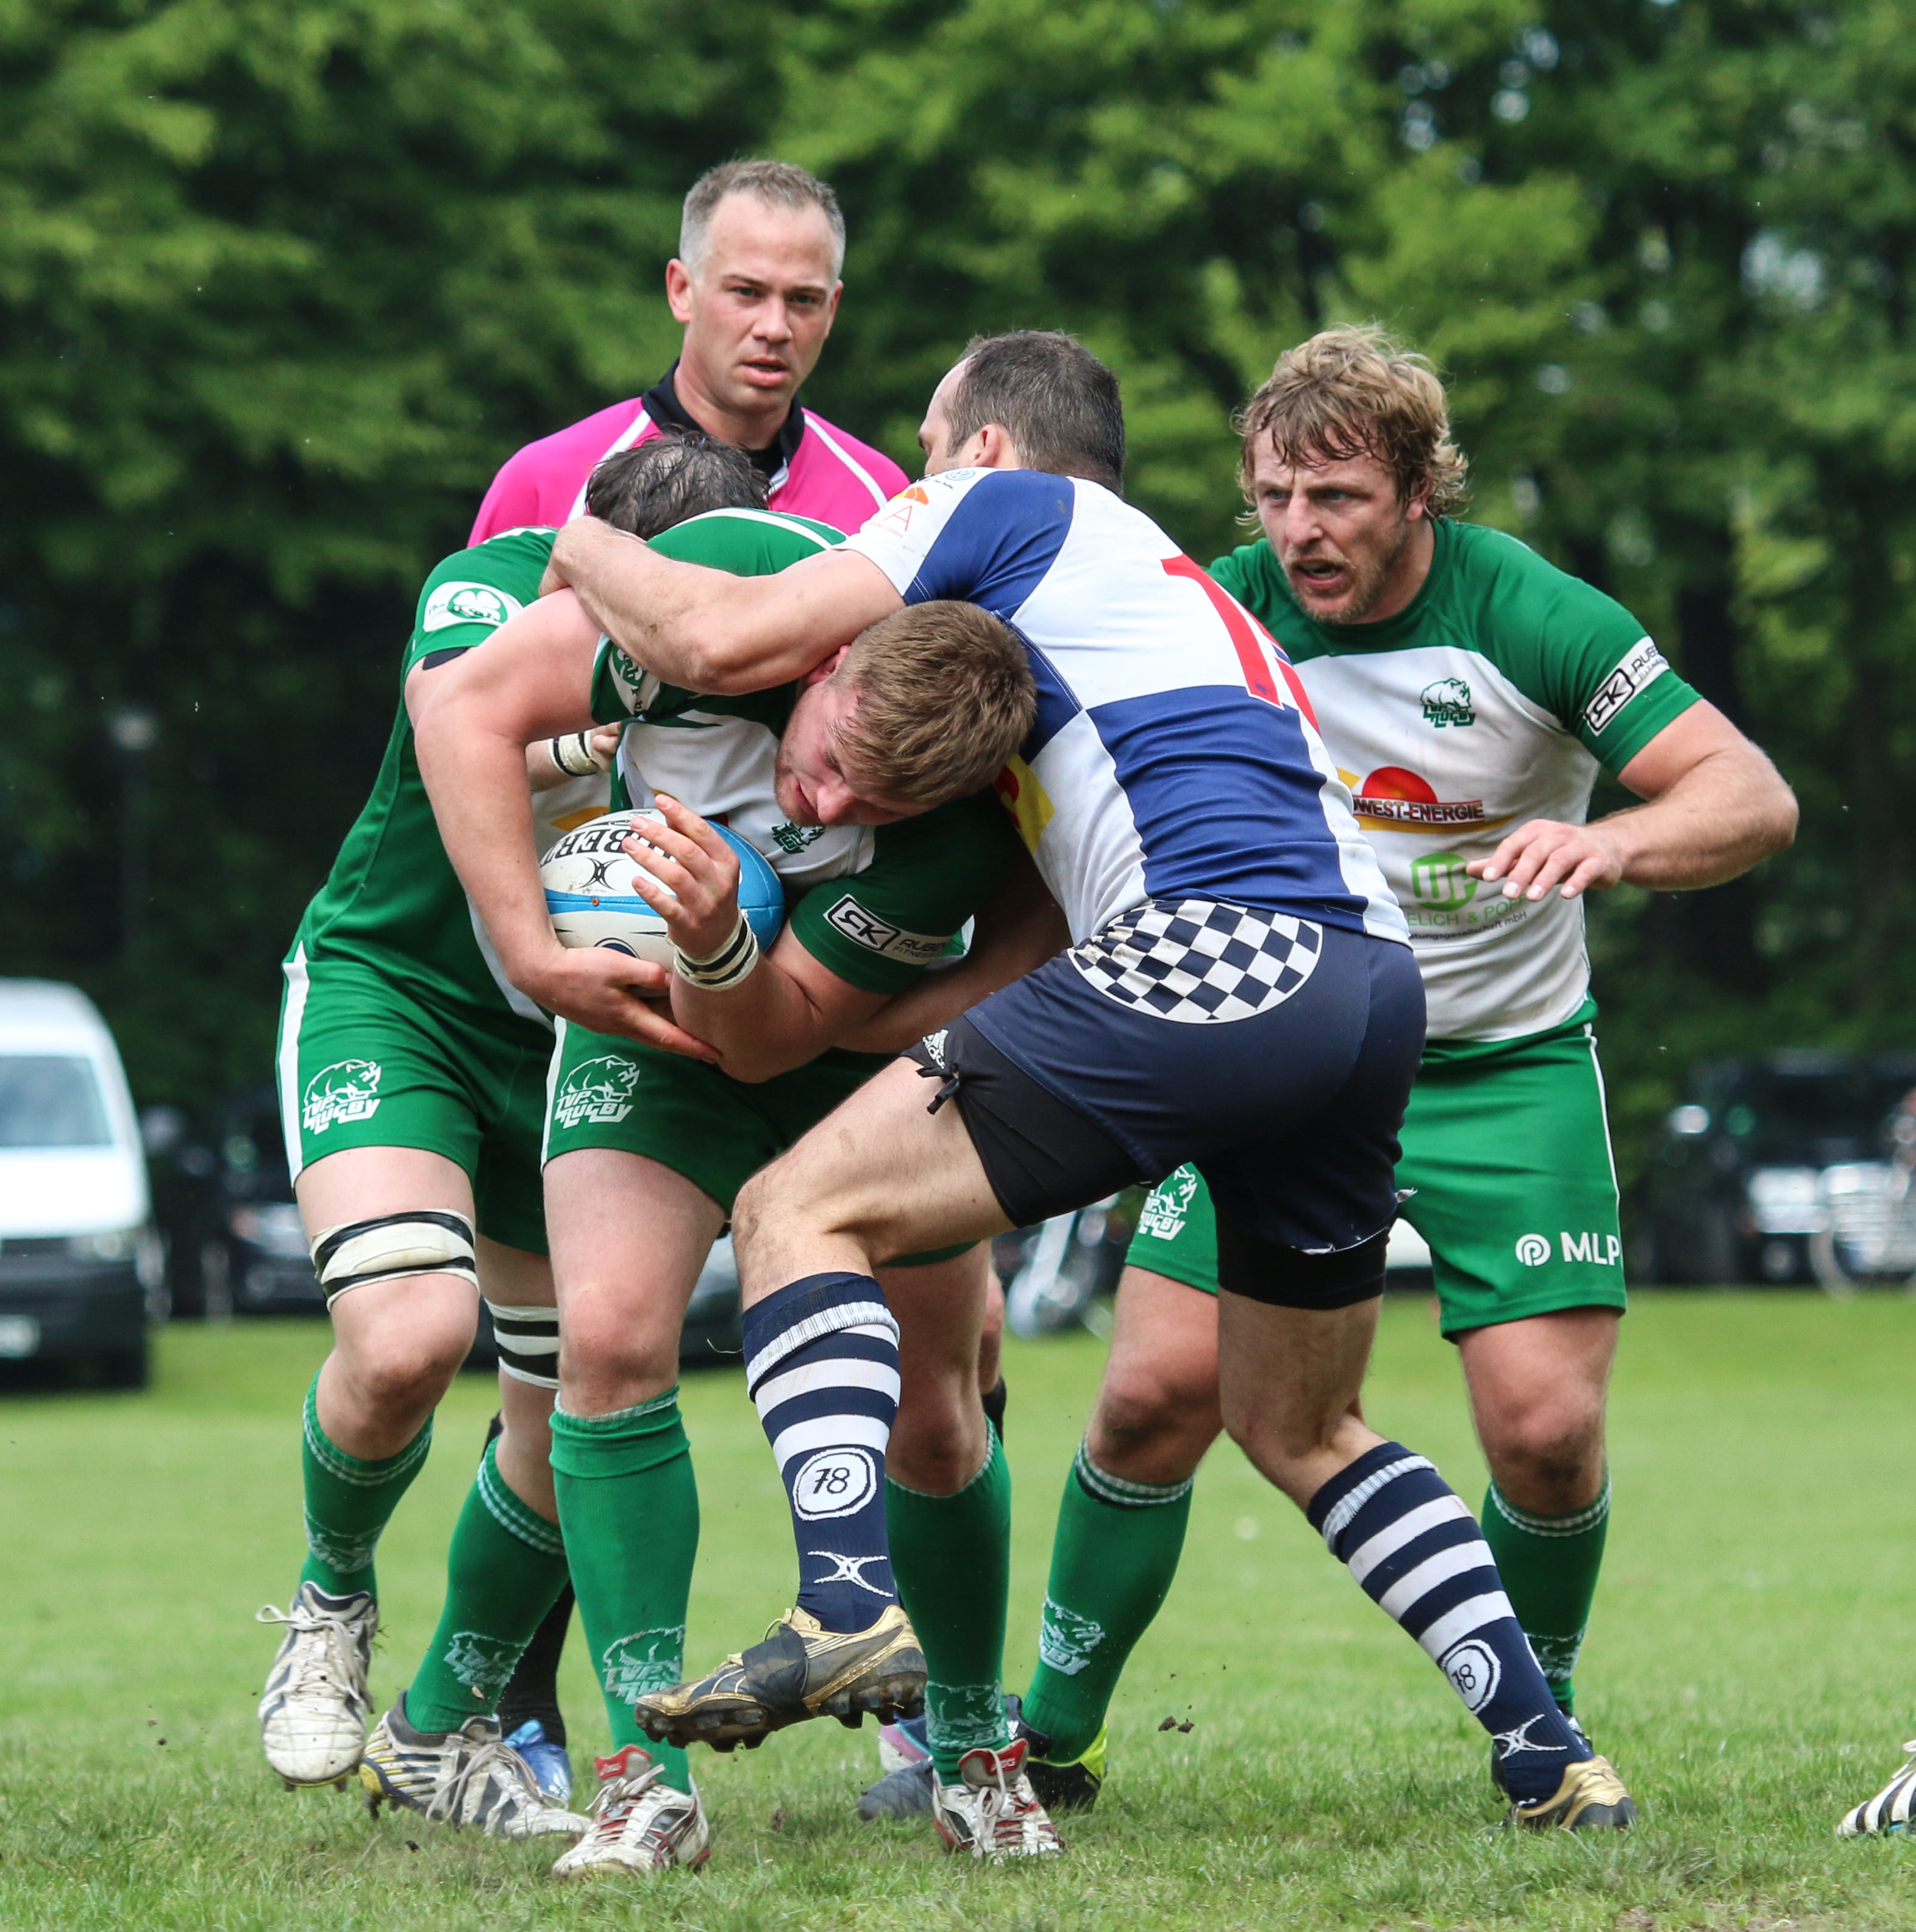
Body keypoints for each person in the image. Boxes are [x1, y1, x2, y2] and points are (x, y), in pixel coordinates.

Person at [542, 327, 1639, 1836]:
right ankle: (1549, 1753)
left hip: (1217, 947)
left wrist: (579, 535)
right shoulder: (1147, 599)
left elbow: (722, 643)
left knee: (796, 1207)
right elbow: (1032, 941)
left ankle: (846, 1598)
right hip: (1368, 980)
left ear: (983, 449)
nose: (907, 487)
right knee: (1301, 1422)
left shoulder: (1000, 510)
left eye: (927, 451)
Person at [1004, 326, 1797, 1809]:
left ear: (1421, 490)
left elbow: (1749, 796)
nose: (1300, 531)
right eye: (1275, 497)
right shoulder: (1218, 609)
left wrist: (1612, 841)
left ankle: (1538, 1720)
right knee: (1151, 1395)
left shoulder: (1527, 611)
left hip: (1506, 1065)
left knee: (1547, 1435)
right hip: (1279, 1054)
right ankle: (1053, 1736)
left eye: (1340, 498)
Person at [407, 559, 1050, 1870]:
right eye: (832, 762)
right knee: (604, 1341)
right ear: (828, 662)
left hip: (836, 1041)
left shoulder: (955, 832)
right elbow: (460, 703)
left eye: (877, 804)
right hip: (646, 1033)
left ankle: (972, 1746)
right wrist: (532, 950)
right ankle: (642, 1779)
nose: (828, 804)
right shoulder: (716, 616)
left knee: (935, 1411)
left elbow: (771, 1037)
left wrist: (713, 944)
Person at [251, 432, 770, 1836]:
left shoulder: (756, 648)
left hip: (581, 1045)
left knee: (574, 1399)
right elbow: (459, 713)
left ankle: (440, 1725)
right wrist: (620, 734)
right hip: (403, 995)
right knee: (408, 1335)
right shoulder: (485, 588)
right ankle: (330, 1596)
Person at [470, 160, 903, 544]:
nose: (774, 328)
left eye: (803, 299)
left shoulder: (885, 502)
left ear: (831, 310)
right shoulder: (544, 481)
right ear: (681, 291)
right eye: (746, 292)